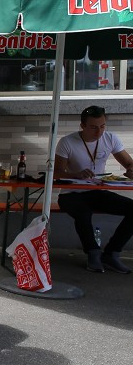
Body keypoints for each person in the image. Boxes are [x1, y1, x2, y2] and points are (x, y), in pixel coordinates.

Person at [54, 105, 133, 274]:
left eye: (102, 126)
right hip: (70, 194)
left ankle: (111, 254)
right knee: (83, 213)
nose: (99, 132)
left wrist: (131, 170)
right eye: (93, 127)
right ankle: (93, 253)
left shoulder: (110, 138)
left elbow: (128, 163)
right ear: (82, 126)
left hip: (97, 192)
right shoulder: (67, 142)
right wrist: (76, 174)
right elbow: (57, 173)